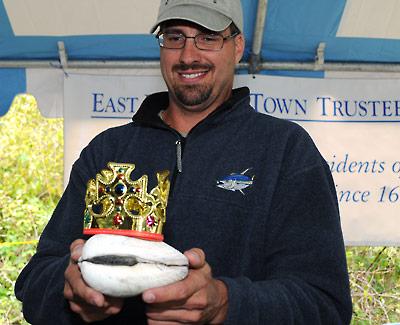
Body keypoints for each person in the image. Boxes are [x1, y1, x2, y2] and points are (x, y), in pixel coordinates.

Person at [15, 0, 353, 324]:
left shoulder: (286, 151)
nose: (188, 55)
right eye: (174, 37)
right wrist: (70, 292)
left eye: (208, 37)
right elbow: (34, 282)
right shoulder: (108, 151)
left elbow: (325, 304)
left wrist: (227, 303)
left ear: (237, 46)